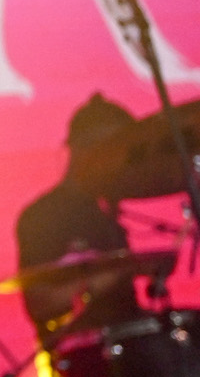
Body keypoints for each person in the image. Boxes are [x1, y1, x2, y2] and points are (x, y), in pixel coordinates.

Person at [15, 93, 147, 342]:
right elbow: (41, 305)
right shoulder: (42, 217)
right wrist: (115, 273)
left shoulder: (106, 211)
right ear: (85, 150)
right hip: (85, 354)